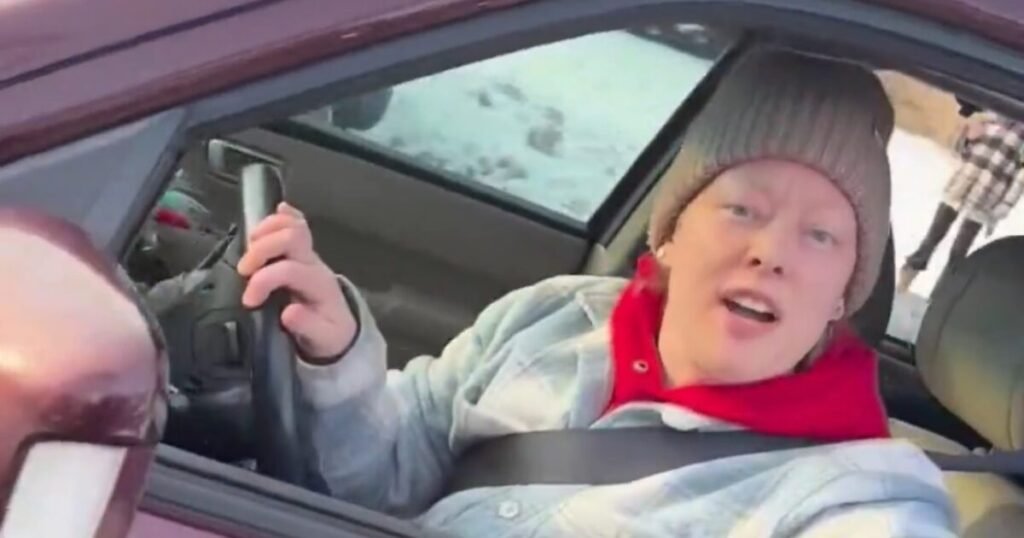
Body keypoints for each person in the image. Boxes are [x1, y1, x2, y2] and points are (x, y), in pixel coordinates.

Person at [237, 49, 957, 536]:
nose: (770, 252)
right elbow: (387, 476)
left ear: (841, 298)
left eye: (821, 236)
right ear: (669, 234)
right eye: (743, 209)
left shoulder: (852, 490)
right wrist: (336, 353)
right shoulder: (553, 316)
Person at [897, 110, 1024, 293]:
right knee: (932, 237)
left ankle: (943, 294)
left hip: (987, 198)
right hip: (960, 185)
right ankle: (906, 279)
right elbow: (959, 150)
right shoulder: (991, 115)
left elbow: (1020, 179)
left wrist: (1002, 208)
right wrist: (967, 136)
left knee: (959, 252)